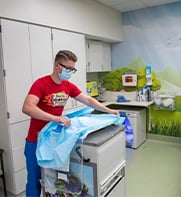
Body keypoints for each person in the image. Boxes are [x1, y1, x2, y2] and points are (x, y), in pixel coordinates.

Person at [22, 50, 119, 196]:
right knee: (34, 181)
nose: (69, 72)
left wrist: (108, 110)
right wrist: (55, 118)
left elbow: (87, 100)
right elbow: (27, 107)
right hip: (35, 141)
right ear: (57, 65)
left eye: (72, 69)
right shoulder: (41, 84)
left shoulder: (67, 86)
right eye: (67, 68)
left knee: (52, 180)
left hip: (53, 141)